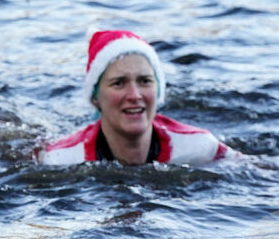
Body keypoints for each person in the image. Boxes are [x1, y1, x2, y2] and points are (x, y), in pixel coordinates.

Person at [36, 30, 237, 166]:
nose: (134, 95)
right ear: (95, 98)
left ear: (158, 91)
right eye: (119, 83)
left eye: (145, 81)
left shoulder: (201, 147)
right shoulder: (61, 159)